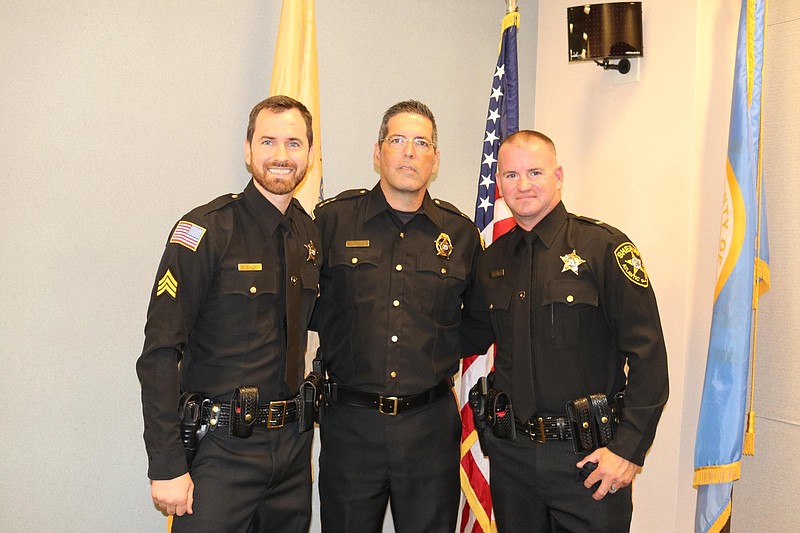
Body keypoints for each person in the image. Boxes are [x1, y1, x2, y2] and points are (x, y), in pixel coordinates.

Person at [136, 95, 322, 533]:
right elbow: (160, 353)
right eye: (269, 141)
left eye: (294, 144)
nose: (281, 156)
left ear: (310, 155)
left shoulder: (309, 233)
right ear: (247, 149)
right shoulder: (205, 231)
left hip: (293, 451)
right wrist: (165, 463)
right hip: (220, 450)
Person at [311, 100, 493, 533]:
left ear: (435, 160)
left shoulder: (460, 234)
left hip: (428, 427)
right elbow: (305, 307)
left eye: (421, 142)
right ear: (377, 153)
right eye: (397, 140)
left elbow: (481, 322)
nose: (409, 152)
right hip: (351, 424)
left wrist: (433, 356)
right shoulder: (332, 221)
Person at [474, 130, 668, 532]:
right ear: (499, 185)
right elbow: (469, 335)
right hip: (514, 461)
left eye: (535, 172)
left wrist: (628, 450)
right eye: (510, 175)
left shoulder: (604, 248)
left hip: (589, 459)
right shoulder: (492, 261)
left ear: (558, 176)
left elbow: (649, 357)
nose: (523, 185)